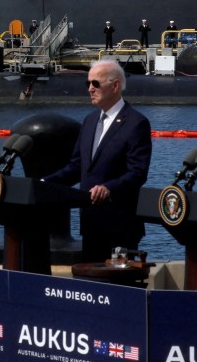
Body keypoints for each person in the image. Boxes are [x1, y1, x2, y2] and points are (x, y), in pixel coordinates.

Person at [41, 60, 152, 262]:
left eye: (96, 83)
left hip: (119, 224)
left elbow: (138, 173)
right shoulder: (90, 121)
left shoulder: (136, 123)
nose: (90, 88)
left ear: (115, 85)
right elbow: (77, 167)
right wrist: (44, 183)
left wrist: (108, 188)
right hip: (91, 223)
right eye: (88, 84)